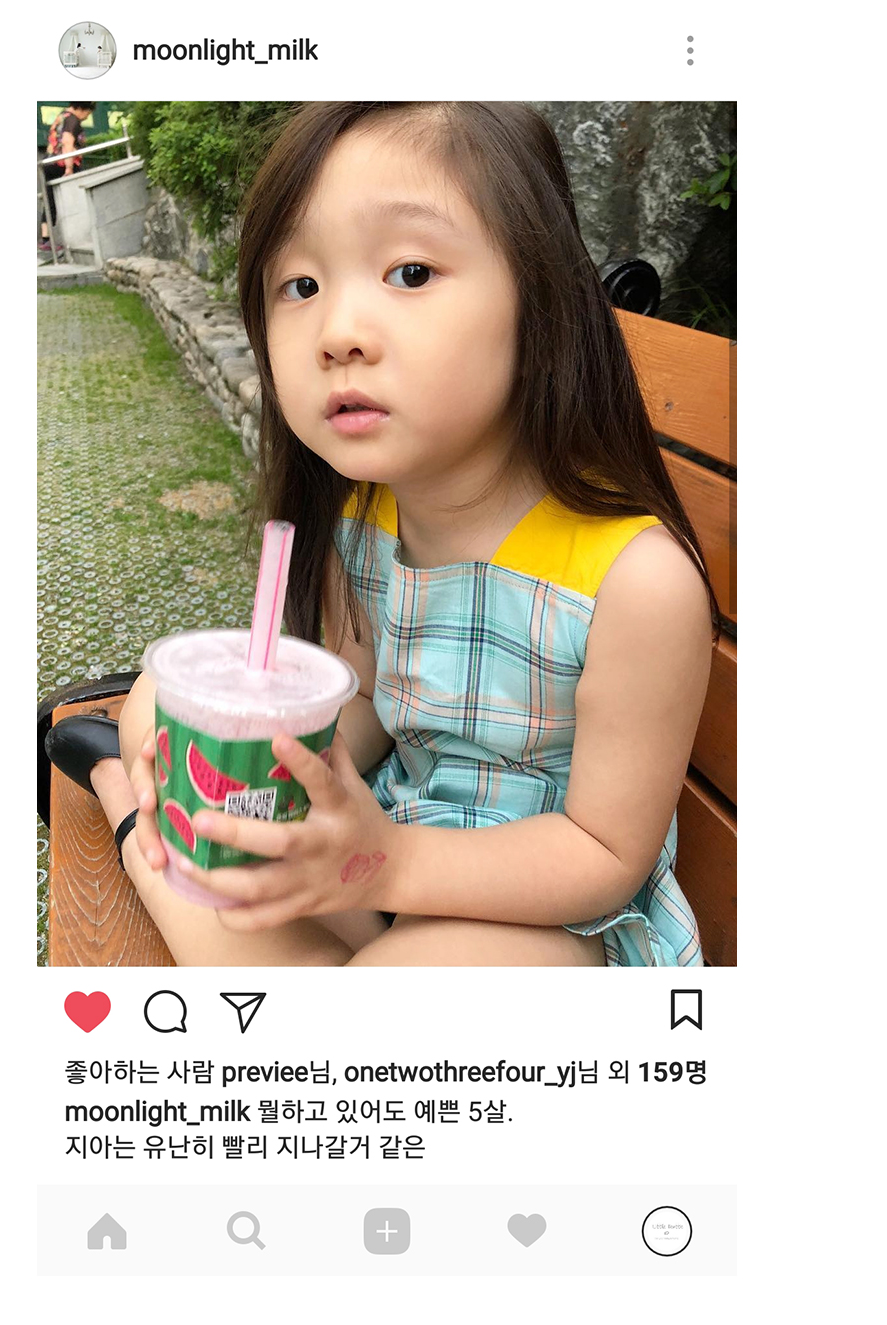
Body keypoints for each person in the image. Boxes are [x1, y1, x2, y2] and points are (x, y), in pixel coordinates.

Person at [46, 102, 716, 967]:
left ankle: (131, 813)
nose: (338, 334)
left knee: (392, 975)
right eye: (301, 286)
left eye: (409, 271)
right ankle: (139, 797)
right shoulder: (368, 513)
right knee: (153, 710)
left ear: (540, 298)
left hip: (542, 916)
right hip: (383, 842)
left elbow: (603, 856)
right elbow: (365, 701)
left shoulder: (633, 582)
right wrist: (290, 762)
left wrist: (386, 863)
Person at [39, 101, 94, 250]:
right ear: (82, 108)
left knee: (50, 199)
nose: (86, 117)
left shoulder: (62, 116)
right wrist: (69, 167)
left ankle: (45, 239)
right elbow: (67, 142)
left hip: (49, 162)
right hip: (62, 164)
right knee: (79, 196)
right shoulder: (72, 120)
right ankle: (81, 235)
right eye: (88, 113)